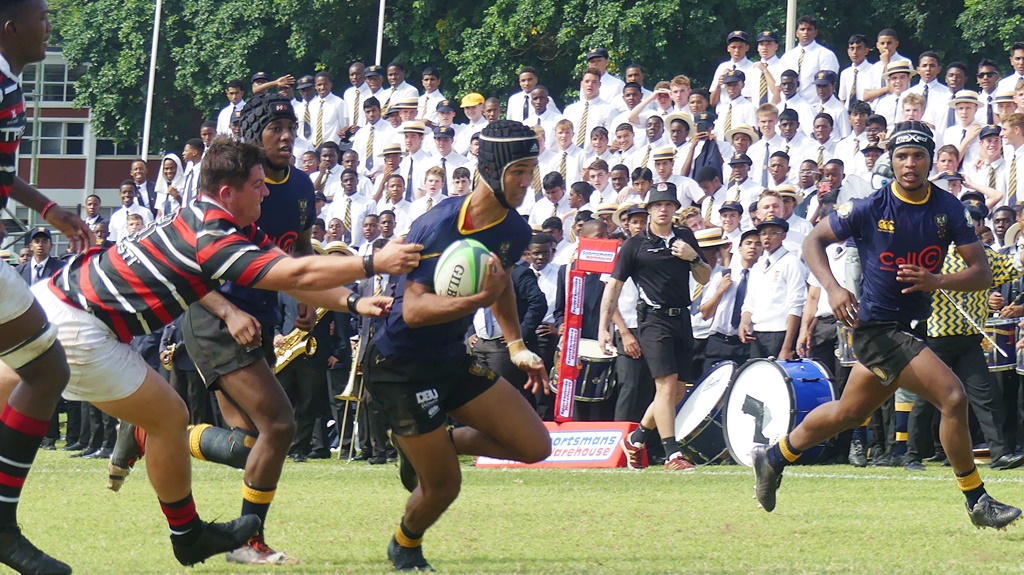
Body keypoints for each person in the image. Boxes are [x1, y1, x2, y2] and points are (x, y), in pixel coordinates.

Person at [752, 121, 1022, 530]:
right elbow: (812, 242)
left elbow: (982, 273)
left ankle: (774, 457)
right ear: (891, 161)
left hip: (913, 327)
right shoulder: (869, 207)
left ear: (931, 161)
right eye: (901, 156)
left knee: (848, 412)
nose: (909, 164)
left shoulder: (949, 209)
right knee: (952, 397)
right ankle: (976, 500)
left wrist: (937, 281)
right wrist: (835, 288)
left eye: (918, 156)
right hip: (877, 327)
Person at [362, 121, 550, 571]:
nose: (527, 182)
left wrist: (516, 343)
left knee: (535, 445)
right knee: (445, 487)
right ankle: (405, 545)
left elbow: (499, 282)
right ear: (492, 169)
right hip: (399, 365)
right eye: (519, 171)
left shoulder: (516, 231)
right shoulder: (439, 224)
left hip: (450, 358)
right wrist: (477, 300)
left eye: (532, 170)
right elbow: (413, 311)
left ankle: (441, 441)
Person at [599, 182, 712, 470]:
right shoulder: (634, 245)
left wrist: (693, 257)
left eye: (668, 204)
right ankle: (673, 454)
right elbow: (612, 288)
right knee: (664, 388)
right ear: (648, 210)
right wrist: (603, 328)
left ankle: (635, 439)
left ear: (675, 208)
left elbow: (704, 277)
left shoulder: (685, 237)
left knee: (677, 392)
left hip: (682, 318)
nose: (663, 209)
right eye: (657, 205)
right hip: (652, 319)